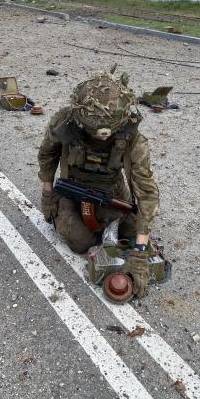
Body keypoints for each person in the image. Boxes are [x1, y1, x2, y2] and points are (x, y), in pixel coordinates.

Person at [37, 68, 159, 298]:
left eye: (108, 131)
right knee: (79, 242)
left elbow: (146, 191)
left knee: (133, 234)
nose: (102, 136)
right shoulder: (65, 123)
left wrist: (140, 253)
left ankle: (113, 234)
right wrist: (48, 195)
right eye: (95, 131)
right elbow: (47, 155)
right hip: (72, 190)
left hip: (111, 190)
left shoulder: (132, 137)